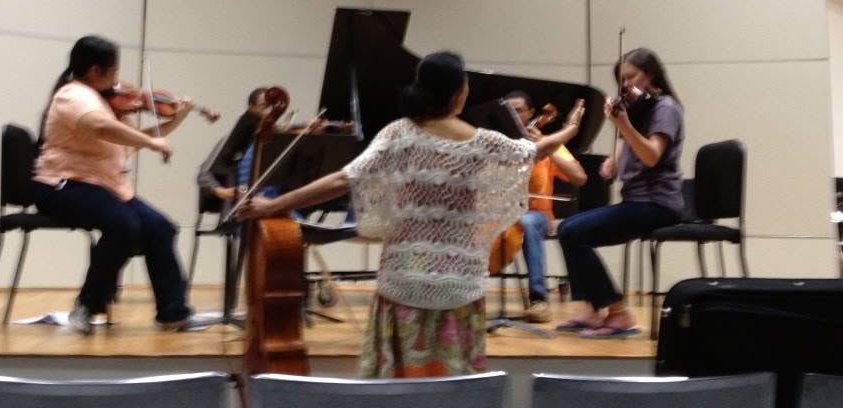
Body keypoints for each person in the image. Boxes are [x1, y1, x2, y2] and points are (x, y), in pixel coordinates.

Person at [238, 51, 585, 377]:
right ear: (458, 94)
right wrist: (570, 128)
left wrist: (274, 205)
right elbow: (538, 149)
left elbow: (343, 179)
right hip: (459, 286)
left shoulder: (398, 135)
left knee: (399, 386)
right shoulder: (485, 143)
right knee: (452, 387)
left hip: (402, 281)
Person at [32, 35, 212, 334]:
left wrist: (176, 119)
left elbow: (131, 139)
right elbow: (101, 127)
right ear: (95, 71)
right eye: (114, 71)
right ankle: (86, 306)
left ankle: (172, 313)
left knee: (160, 227)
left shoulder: (103, 103)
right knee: (124, 225)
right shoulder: (72, 95)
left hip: (104, 187)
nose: (118, 81)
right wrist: (152, 143)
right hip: (62, 185)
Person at [556, 47, 684, 338]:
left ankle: (618, 313)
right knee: (567, 229)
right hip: (637, 201)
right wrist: (614, 159)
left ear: (650, 74)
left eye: (631, 77)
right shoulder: (640, 109)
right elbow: (629, 141)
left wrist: (623, 124)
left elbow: (652, 155)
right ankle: (592, 309)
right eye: (621, 80)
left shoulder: (665, 108)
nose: (625, 85)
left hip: (657, 204)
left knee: (574, 232)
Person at [503, 91, 586, 323]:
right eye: (508, 111)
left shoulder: (548, 144)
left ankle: (538, 298)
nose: (514, 115)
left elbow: (579, 177)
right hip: (501, 215)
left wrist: (545, 147)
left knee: (528, 222)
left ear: (531, 113)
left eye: (519, 110)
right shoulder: (499, 144)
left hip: (536, 214)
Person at [195, 87, 268, 206]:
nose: (269, 112)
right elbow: (203, 174)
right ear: (251, 108)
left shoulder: (277, 139)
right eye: (264, 106)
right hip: (240, 205)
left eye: (272, 107)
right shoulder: (235, 137)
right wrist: (220, 191)